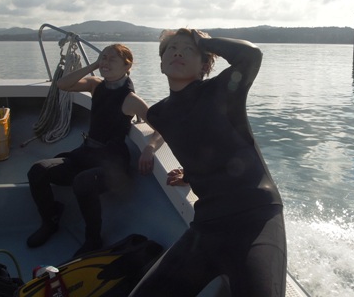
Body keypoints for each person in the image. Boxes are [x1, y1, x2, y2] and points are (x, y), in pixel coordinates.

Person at [129, 29, 287, 297]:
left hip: (255, 215)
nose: (178, 52)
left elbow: (250, 55)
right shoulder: (159, 113)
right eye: (171, 48)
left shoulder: (222, 90)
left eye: (188, 49)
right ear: (161, 65)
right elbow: (194, 139)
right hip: (207, 226)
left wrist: (203, 41)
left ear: (204, 66)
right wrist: (189, 174)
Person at [26, 43, 159, 257]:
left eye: (112, 59)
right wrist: (94, 66)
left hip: (113, 166)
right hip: (86, 154)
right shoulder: (95, 85)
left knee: (83, 182)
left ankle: (93, 239)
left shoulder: (131, 100)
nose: (105, 62)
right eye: (103, 57)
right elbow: (62, 84)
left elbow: (160, 128)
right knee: (38, 170)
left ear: (127, 66)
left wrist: (150, 148)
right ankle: (50, 221)